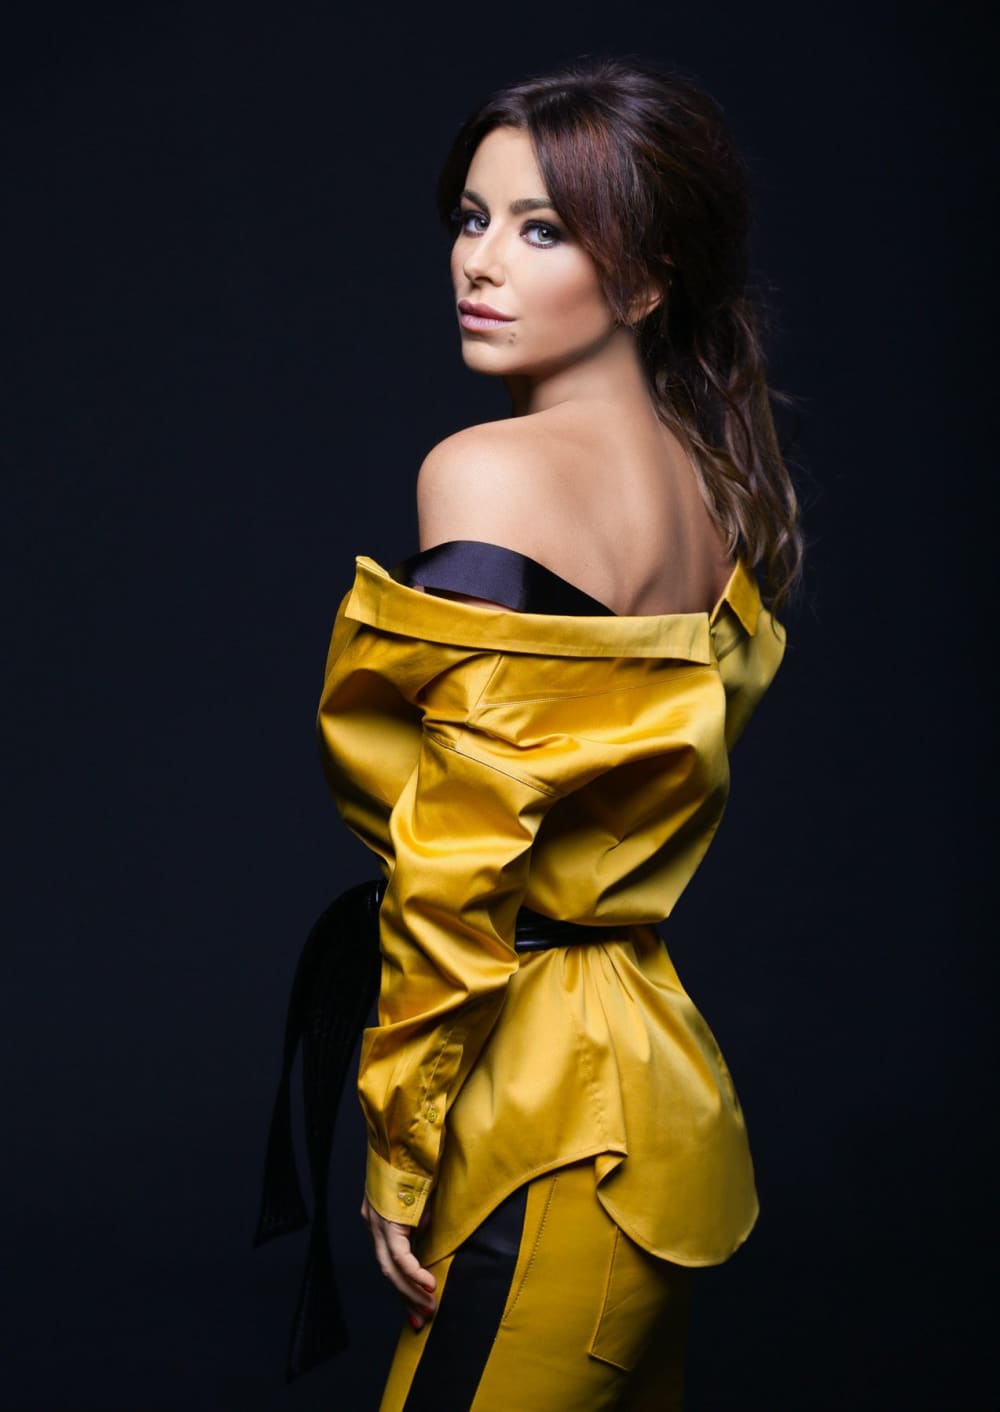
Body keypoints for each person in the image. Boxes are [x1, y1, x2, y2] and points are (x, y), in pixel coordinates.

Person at [257, 52, 803, 1411]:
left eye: (542, 228)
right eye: (472, 217)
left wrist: (400, 1142)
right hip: (651, 1105)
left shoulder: (489, 473)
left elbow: (465, 849)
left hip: (533, 1123)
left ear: (648, 279)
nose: (481, 262)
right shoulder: (711, 490)